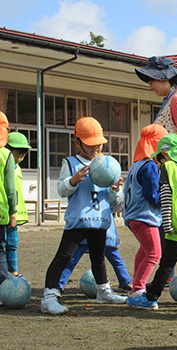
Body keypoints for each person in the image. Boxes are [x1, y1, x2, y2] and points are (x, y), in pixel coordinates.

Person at [40, 117, 126, 315]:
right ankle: (49, 296)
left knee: (99, 258)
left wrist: (115, 190)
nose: (95, 147)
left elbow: (114, 201)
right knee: (63, 257)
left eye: (98, 143)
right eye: (90, 144)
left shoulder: (107, 164)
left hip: (101, 221)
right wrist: (73, 180)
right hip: (79, 220)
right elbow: (61, 189)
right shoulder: (70, 163)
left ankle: (103, 291)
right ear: (77, 142)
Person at [126, 133, 177, 310]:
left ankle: (150, 298)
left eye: (160, 158)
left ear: (166, 154)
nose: (159, 162)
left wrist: (167, 223)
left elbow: (165, 197)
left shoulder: (169, 168)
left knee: (166, 264)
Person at [123, 124, 167, 298]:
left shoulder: (136, 165)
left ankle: (135, 281)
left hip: (134, 216)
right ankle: (138, 289)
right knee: (155, 253)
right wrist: (167, 199)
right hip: (144, 216)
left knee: (144, 250)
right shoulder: (149, 166)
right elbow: (152, 195)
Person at [59, 218, 132, 293]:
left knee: (114, 259)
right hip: (91, 230)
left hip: (100, 232)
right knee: (72, 260)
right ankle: (59, 285)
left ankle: (125, 281)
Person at [4, 132, 30, 276]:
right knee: (4, 246)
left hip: (15, 215)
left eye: (23, 154)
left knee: (13, 245)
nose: (20, 158)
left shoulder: (18, 168)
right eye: (17, 154)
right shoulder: (4, 166)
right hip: (5, 213)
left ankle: (13, 272)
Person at [0, 112, 17, 289]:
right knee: (0, 251)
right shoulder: (6, 155)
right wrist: (13, 210)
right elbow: (10, 188)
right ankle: (3, 289)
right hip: (1, 211)